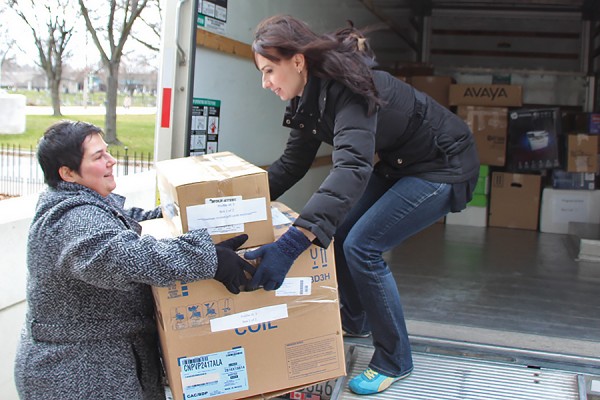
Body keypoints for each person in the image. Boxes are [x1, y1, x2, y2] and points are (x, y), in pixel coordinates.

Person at [244, 15, 480, 396]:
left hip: (444, 165)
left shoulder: (350, 88)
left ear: (298, 61)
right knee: (339, 232)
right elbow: (291, 166)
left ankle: (394, 359)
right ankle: (355, 321)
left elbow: (351, 167)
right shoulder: (309, 97)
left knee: (363, 246)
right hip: (402, 163)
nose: (266, 82)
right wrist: (238, 204)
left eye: (270, 70)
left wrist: (292, 243)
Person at [14, 120, 254, 400]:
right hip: (79, 373)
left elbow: (127, 222)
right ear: (68, 173)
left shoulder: (81, 202)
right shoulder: (74, 219)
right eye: (98, 156)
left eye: (107, 152)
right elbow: (125, 257)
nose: (111, 160)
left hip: (100, 360)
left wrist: (183, 215)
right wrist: (206, 257)